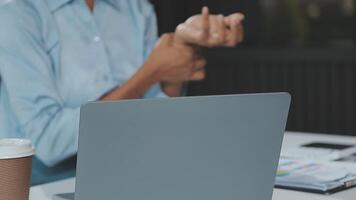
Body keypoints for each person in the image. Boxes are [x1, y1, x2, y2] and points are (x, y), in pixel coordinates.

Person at [0, 0, 244, 184]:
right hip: (42, 185)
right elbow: (48, 140)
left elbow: (155, 114)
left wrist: (180, 49)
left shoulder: (136, 8)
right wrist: (152, 72)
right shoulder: (17, 11)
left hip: (126, 175)